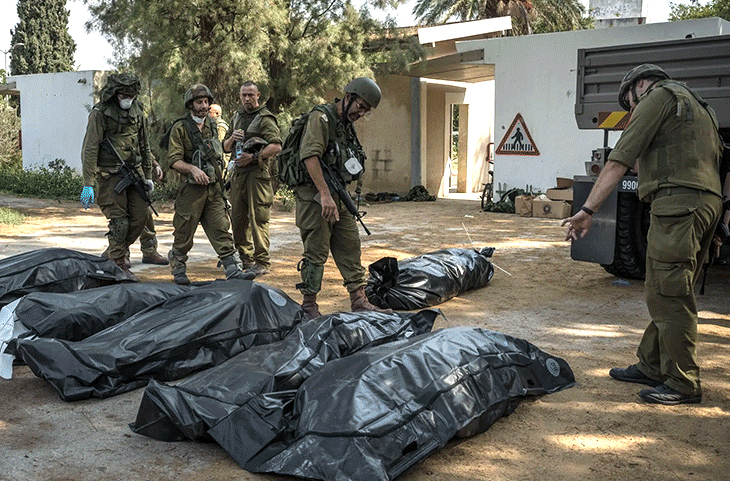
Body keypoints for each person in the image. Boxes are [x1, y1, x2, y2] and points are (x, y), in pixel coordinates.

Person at [562, 64, 723, 405]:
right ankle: (651, 365)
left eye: (629, 104)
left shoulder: (658, 97)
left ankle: (683, 382)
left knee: (670, 292)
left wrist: (587, 211)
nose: (631, 110)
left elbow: (619, 159)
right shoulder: (698, 106)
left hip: (678, 203)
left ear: (639, 86)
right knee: (663, 287)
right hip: (704, 203)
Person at [293, 77, 393, 319]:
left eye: (366, 111)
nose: (361, 113)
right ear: (348, 97)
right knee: (316, 251)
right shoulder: (321, 118)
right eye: (360, 107)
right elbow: (310, 156)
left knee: (350, 244)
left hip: (337, 193)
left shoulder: (344, 124)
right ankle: (309, 306)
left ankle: (359, 299)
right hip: (315, 195)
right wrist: (325, 195)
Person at [166, 84, 248, 285]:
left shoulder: (212, 125)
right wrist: (192, 169)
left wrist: (232, 142)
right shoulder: (180, 128)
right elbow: (174, 160)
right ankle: (178, 268)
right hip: (191, 191)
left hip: (213, 189)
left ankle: (234, 270)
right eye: (199, 102)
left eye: (206, 102)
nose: (203, 106)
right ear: (190, 104)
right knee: (184, 232)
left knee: (221, 229)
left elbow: (220, 150)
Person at [80, 73, 157, 281]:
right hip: (110, 175)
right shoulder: (100, 113)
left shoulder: (138, 110)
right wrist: (88, 183)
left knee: (140, 217)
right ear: (115, 93)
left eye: (131, 95)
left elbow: (145, 144)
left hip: (135, 172)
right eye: (124, 94)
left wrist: (148, 175)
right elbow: (90, 148)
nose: (128, 99)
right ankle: (118, 262)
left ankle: (113, 253)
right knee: (120, 222)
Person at [222, 81, 282, 277]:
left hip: (257, 174)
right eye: (243, 95)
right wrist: (232, 138)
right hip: (239, 174)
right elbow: (225, 147)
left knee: (259, 218)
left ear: (258, 96)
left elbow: (276, 146)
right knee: (238, 217)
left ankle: (262, 261)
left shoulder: (265, 118)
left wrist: (254, 157)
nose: (247, 99)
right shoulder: (237, 116)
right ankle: (244, 257)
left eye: (250, 95)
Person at [101, 158, 169, 267]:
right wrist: (88, 184)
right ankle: (122, 253)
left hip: (137, 173)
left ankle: (149, 250)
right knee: (123, 218)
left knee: (144, 213)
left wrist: (154, 165)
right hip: (116, 174)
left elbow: (141, 150)